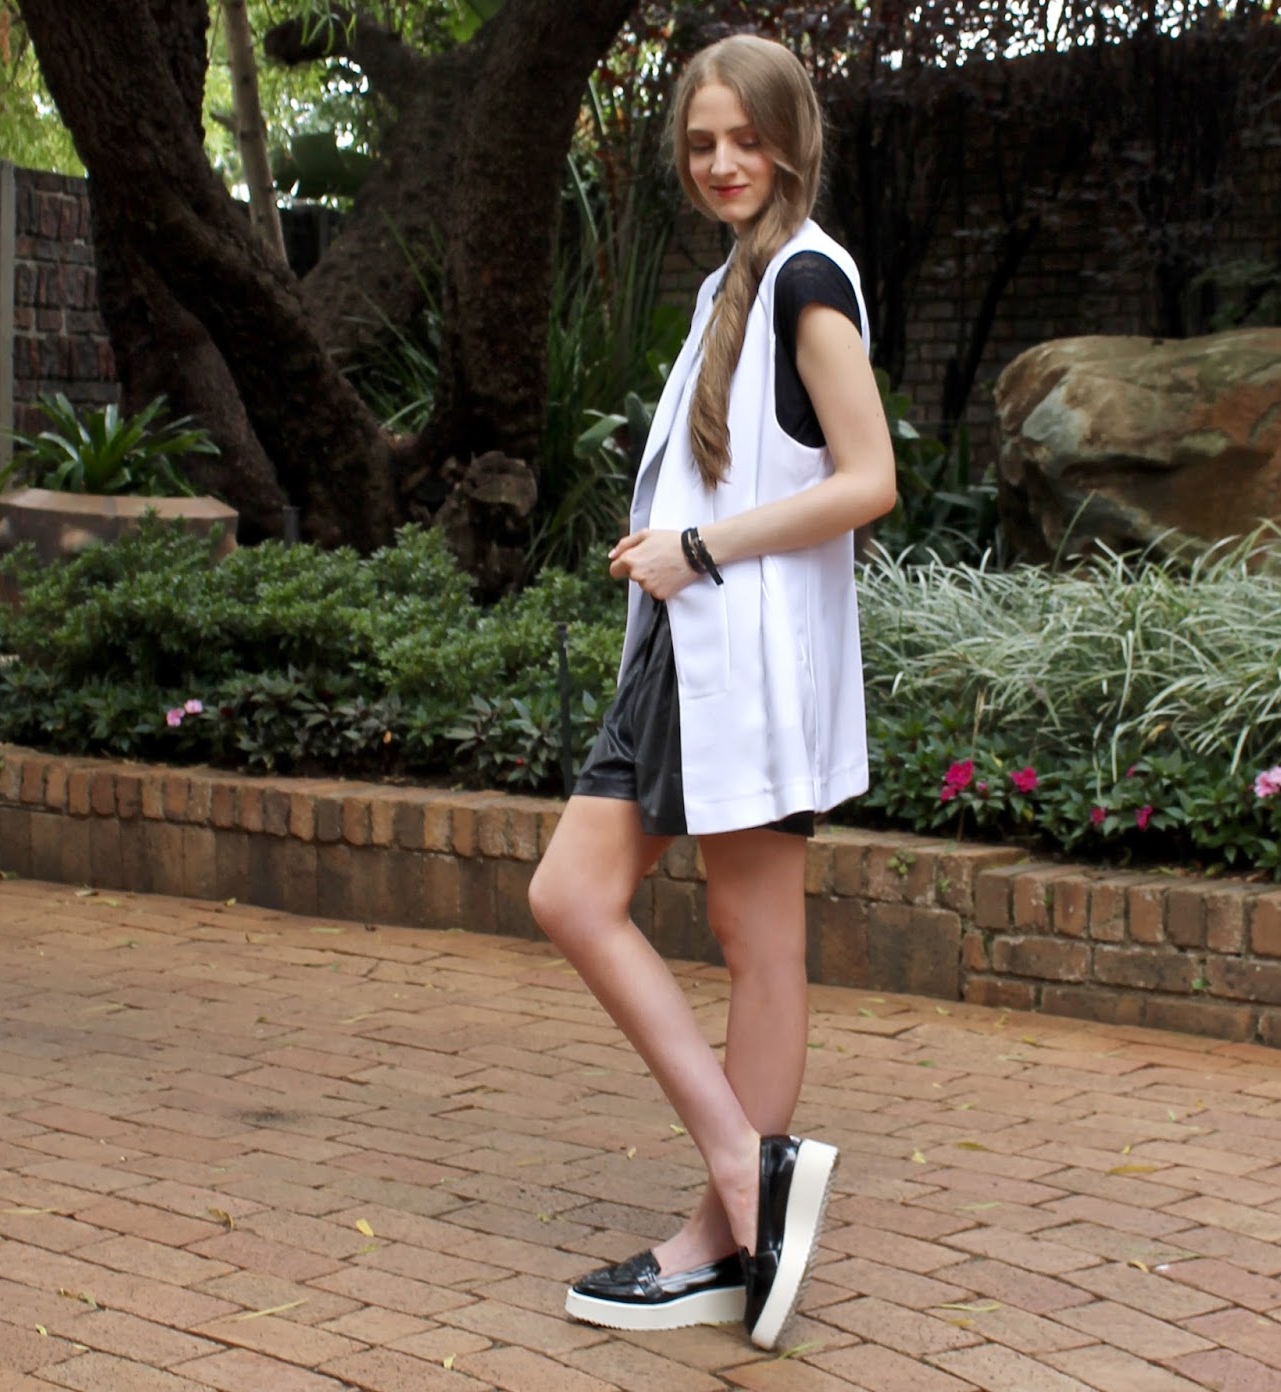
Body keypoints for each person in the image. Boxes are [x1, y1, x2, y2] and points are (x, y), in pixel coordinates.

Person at [527, 32, 896, 1352]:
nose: (722, 162)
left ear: (791, 140)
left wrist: (697, 547)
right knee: (707, 933)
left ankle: (732, 1204)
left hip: (735, 654)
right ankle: (743, 1199)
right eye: (701, 143)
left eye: (745, 138)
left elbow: (869, 478)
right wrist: (674, 545)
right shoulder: (732, 281)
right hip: (695, 651)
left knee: (627, 909)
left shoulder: (807, 278)